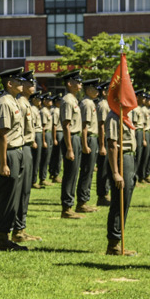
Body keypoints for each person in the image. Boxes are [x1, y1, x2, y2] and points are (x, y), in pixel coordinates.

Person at [0, 68, 28, 252]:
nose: (22, 83)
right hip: (9, 153)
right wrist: (4, 162)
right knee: (7, 197)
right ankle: (2, 239)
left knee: (14, 196)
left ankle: (7, 236)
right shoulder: (5, 102)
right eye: (18, 80)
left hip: (17, 151)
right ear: (9, 84)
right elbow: (1, 135)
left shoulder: (13, 101)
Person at [104, 97, 137, 256]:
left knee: (125, 200)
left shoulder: (124, 116)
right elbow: (111, 145)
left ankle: (118, 241)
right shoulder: (113, 116)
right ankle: (114, 244)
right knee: (119, 202)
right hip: (121, 160)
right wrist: (116, 172)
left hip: (129, 158)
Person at [13, 74, 41, 243]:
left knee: (26, 190)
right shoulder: (20, 104)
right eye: (29, 82)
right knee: (21, 190)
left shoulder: (26, 103)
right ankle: (17, 229)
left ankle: (20, 227)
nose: (33, 85)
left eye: (34, 82)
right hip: (22, 148)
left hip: (27, 147)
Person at [58, 71, 84, 219]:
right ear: (69, 83)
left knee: (74, 174)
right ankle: (67, 207)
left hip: (76, 137)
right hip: (71, 138)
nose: (80, 83)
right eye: (77, 81)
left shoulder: (73, 99)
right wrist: (69, 148)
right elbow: (66, 125)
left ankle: (70, 205)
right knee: (70, 174)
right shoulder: (67, 100)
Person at [75, 78, 101, 214]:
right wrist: (84, 145)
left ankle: (85, 200)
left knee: (90, 171)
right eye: (94, 88)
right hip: (89, 139)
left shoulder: (90, 103)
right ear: (88, 89)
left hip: (93, 138)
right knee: (86, 171)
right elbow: (84, 126)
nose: (97, 91)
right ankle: (81, 202)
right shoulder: (86, 103)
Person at [95, 82, 111, 208]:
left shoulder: (107, 104)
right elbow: (101, 126)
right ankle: (102, 195)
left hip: (108, 138)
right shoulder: (103, 105)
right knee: (103, 168)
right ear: (104, 92)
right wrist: (102, 145)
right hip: (103, 139)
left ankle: (106, 193)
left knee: (108, 167)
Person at [38, 93, 54, 188]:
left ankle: (44, 177)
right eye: (48, 100)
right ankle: (42, 178)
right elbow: (43, 127)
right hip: (46, 133)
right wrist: (44, 140)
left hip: (49, 133)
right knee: (45, 157)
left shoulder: (47, 110)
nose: (50, 102)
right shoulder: (43, 111)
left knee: (48, 157)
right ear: (44, 101)